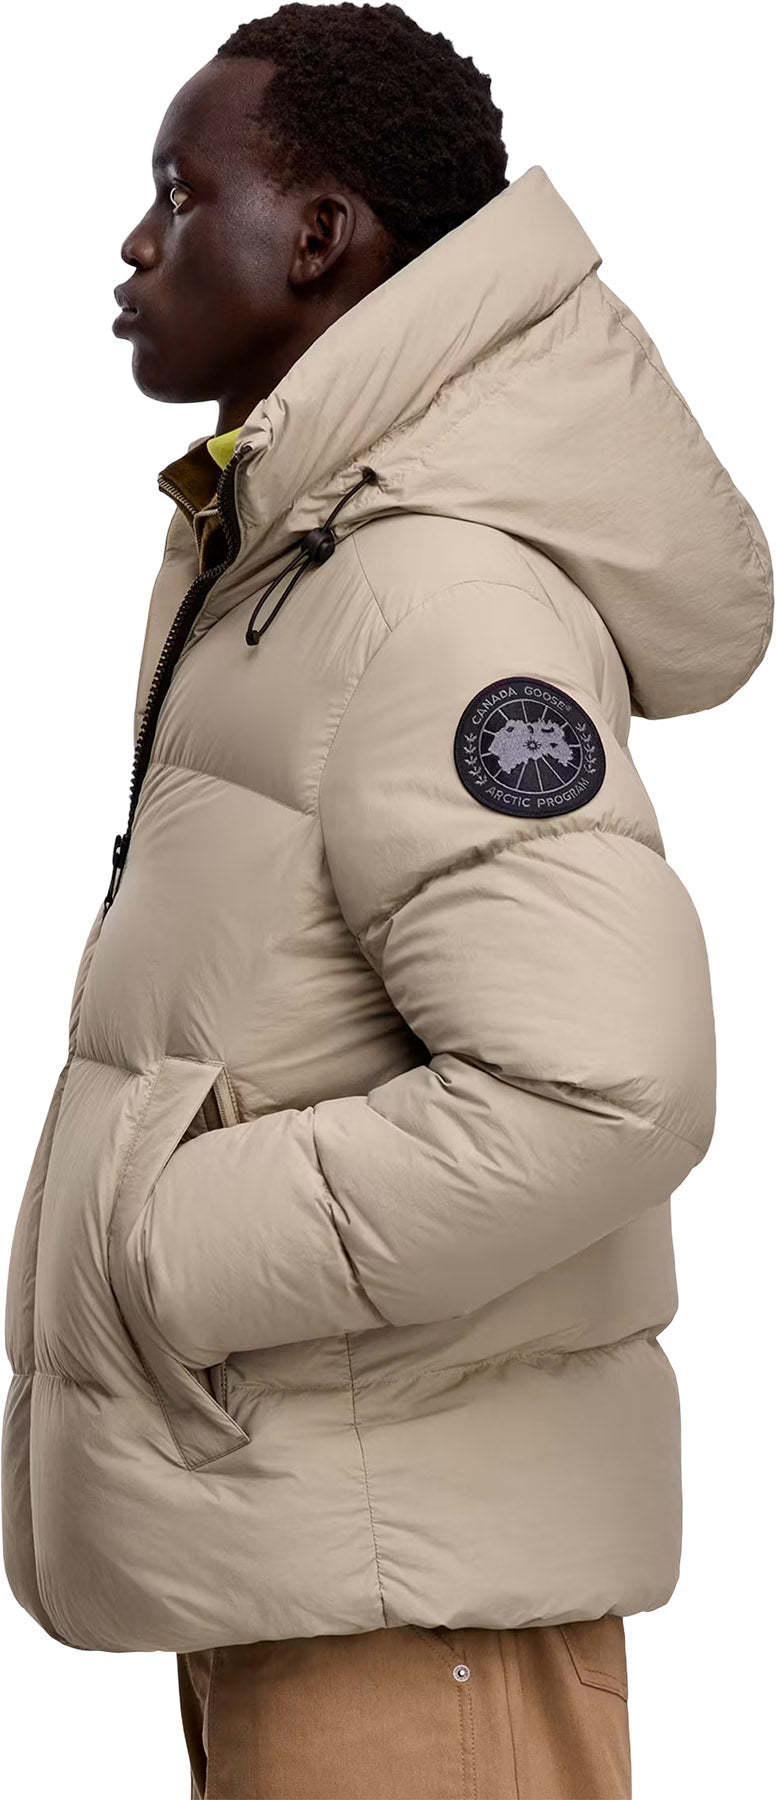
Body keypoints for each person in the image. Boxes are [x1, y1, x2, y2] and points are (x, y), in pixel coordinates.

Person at [3, 4, 772, 1797]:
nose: (133, 246)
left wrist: (157, 1249)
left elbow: (607, 1085)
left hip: (415, 1619)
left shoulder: (437, 602)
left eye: (178, 196)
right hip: (322, 1563)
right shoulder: (303, 563)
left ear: (323, 236)